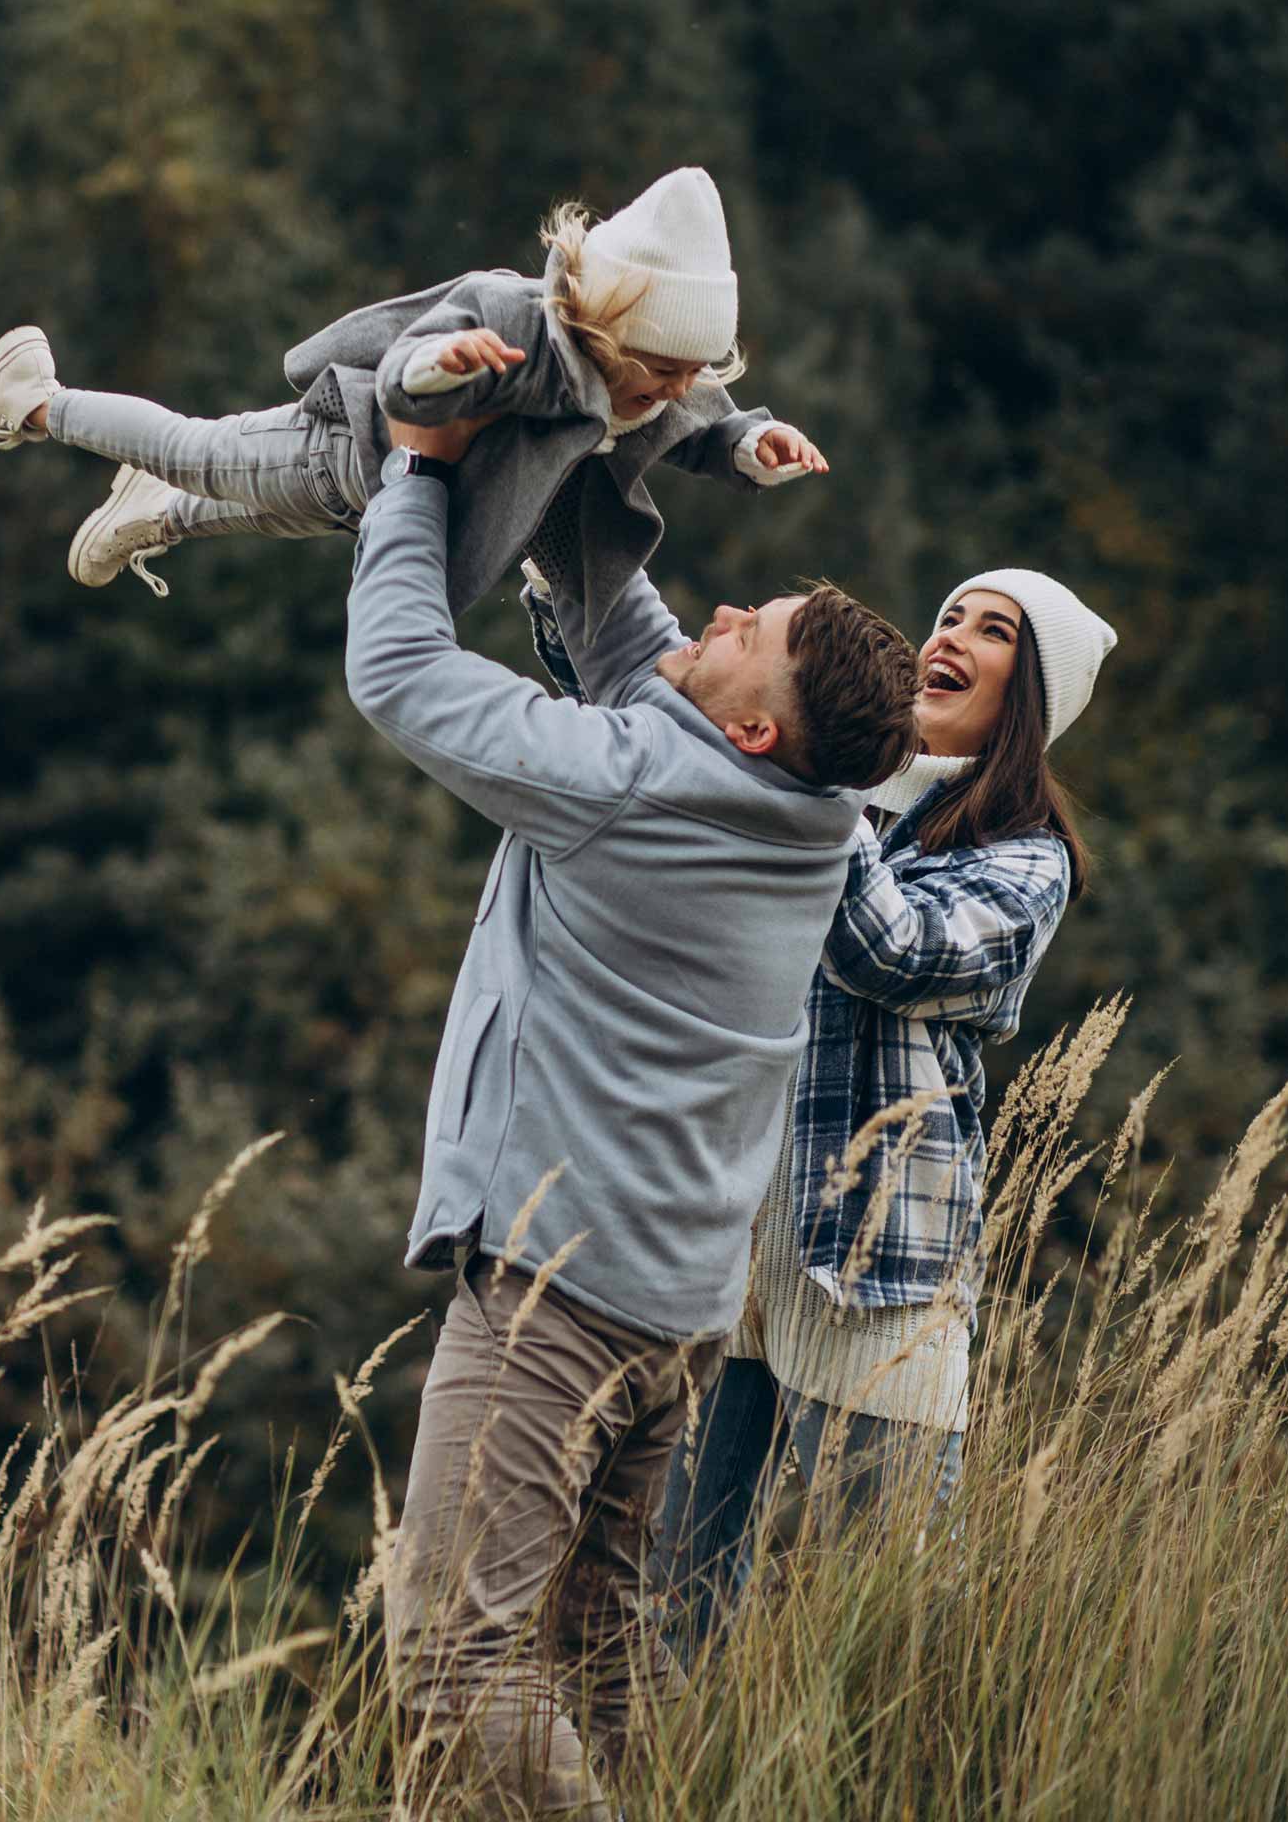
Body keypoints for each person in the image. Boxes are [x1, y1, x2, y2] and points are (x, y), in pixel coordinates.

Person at [343, 406, 919, 1820]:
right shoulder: (808, 820)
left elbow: (399, 671)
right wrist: (603, 424)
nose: (717, 610)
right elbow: (619, 616)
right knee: (599, 1655)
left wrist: (421, 466)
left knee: (455, 1666)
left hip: (557, 1294)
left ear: (752, 725)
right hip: (674, 1313)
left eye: (747, 629)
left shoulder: (635, 785)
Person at [529, 563, 1116, 1657]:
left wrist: (827, 774)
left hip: (874, 1276)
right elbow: (672, 720)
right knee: (668, 1605)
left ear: (1032, 695)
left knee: (887, 1619)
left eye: (994, 632)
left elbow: (895, 952)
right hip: (727, 1256)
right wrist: (572, 567)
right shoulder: (821, 791)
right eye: (950, 615)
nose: (953, 636)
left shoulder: (1020, 856)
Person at [0, 166, 825, 629]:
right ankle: (34, 396)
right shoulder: (518, 322)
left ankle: (156, 514)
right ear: (613, 326)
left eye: (695, 369)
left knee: (263, 517)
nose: (681, 388)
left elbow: (696, 421)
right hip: (347, 448)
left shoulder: (658, 385)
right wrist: (443, 367)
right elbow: (408, 371)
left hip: (396, 505)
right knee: (193, 450)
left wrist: (749, 445)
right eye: (667, 367)